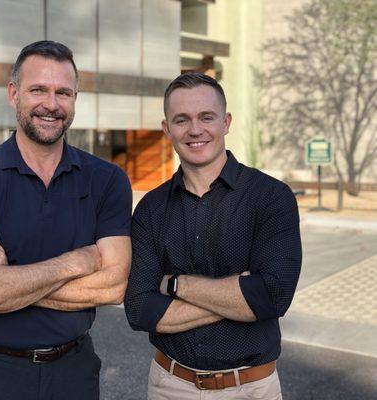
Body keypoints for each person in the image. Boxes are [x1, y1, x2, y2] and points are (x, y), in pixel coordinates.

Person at [0, 40, 132, 400]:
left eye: (63, 92)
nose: (51, 104)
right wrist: (75, 262)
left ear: (75, 98)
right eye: (38, 90)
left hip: (73, 371)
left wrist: (7, 277)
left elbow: (113, 286)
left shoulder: (107, 180)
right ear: (14, 94)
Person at [124, 72, 301, 400]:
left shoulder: (270, 197)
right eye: (182, 120)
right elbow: (139, 309)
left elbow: (273, 296)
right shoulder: (150, 208)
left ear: (226, 122)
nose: (195, 130)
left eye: (206, 117)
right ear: (167, 129)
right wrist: (241, 296)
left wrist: (176, 285)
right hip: (169, 386)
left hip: (250, 389)